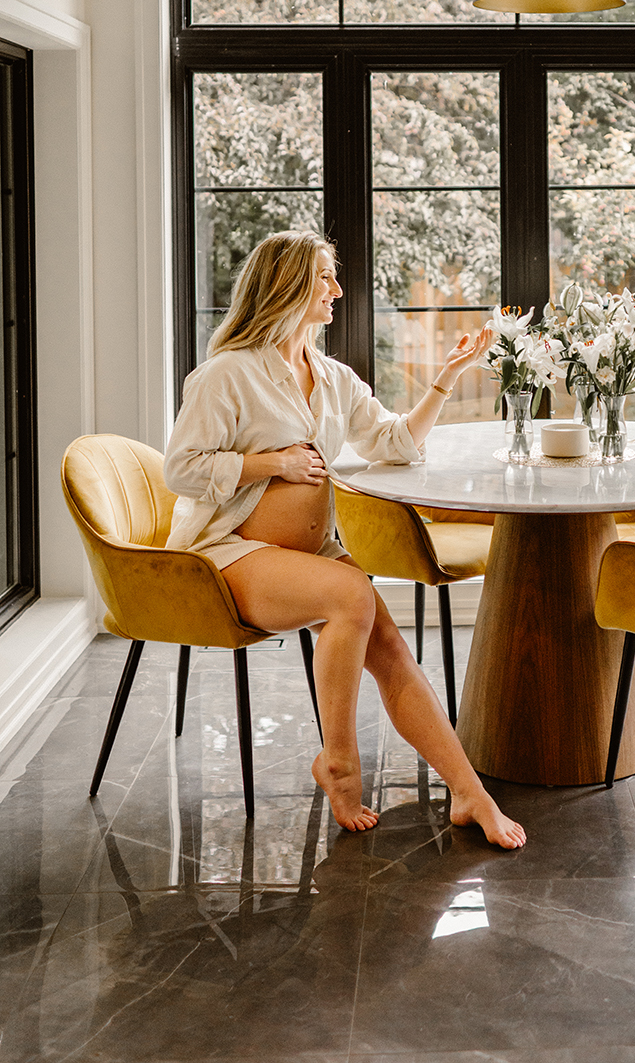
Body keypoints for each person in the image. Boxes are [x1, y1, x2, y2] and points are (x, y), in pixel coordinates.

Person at [164, 230, 525, 848]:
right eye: (325, 277)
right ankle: (338, 758)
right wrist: (271, 465)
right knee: (351, 595)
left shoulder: (331, 378)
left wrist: (444, 380)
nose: (336, 290)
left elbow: (394, 443)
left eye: (335, 277)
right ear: (287, 285)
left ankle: (470, 792)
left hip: (311, 555)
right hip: (227, 553)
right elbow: (181, 467)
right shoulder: (226, 375)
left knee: (391, 652)